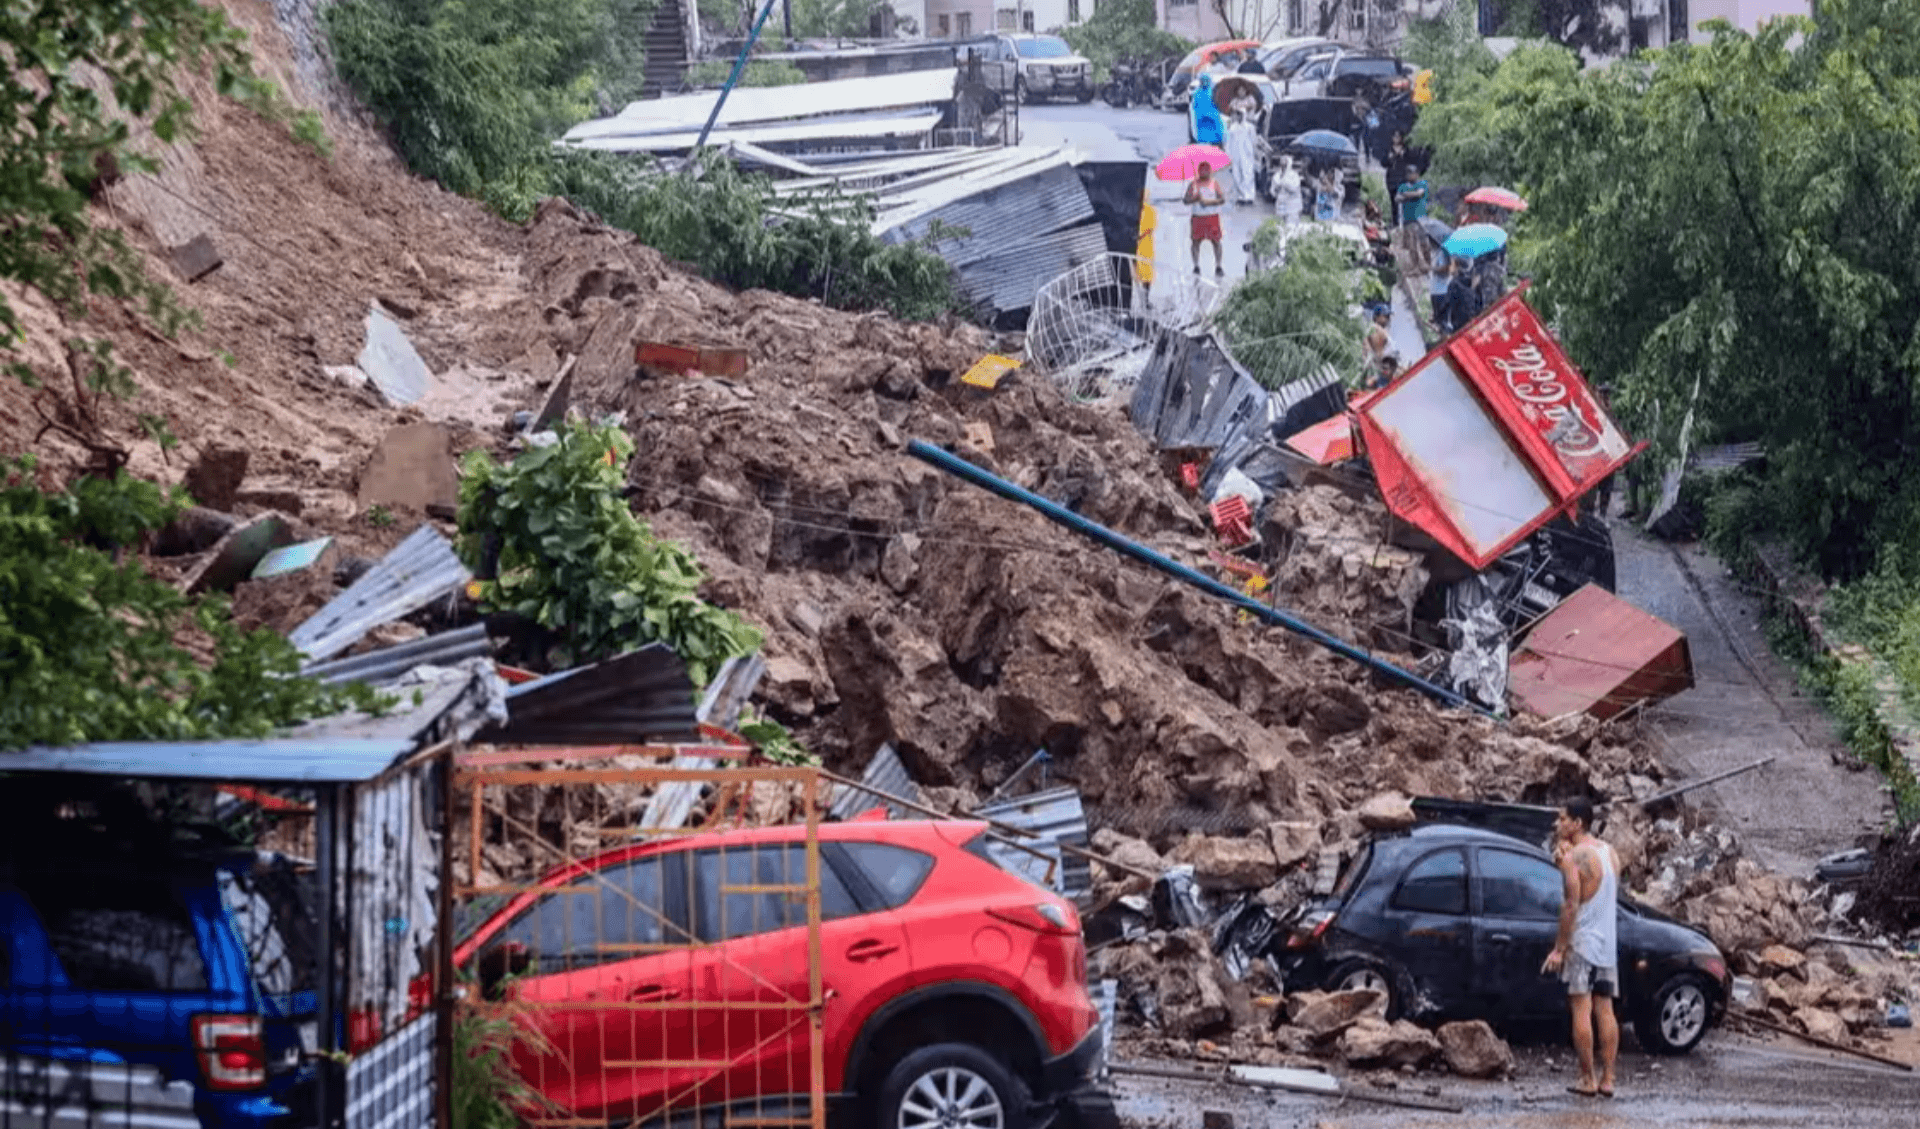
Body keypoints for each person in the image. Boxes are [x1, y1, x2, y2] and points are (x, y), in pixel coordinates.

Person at [1544, 797, 1621, 1099]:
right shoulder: (1610, 852)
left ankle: (1586, 1078)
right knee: (1606, 1009)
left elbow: (1571, 905)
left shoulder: (1573, 857)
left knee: (1581, 1008)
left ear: (1577, 823)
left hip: (1583, 942)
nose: (1557, 824)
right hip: (1607, 942)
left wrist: (1559, 949)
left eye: (1562, 819)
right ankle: (1609, 1079)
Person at [1185, 162, 1227, 276]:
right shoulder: (1193, 185)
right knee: (1195, 242)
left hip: (1212, 217)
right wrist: (1195, 199)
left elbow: (1222, 199)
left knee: (1216, 241)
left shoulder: (1214, 184)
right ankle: (1196, 266)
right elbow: (1185, 200)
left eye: (1207, 171)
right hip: (1197, 218)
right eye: (1202, 171)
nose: (1205, 174)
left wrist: (1209, 202)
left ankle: (1218, 266)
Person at [1225, 111, 1259, 204]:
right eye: (1237, 114)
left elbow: (1254, 140)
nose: (1239, 116)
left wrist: (1253, 152)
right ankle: (1241, 196)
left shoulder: (1249, 127)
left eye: (1240, 114)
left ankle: (1249, 196)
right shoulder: (1233, 127)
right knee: (1237, 176)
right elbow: (1228, 143)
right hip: (1235, 154)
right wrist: (1228, 156)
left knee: (1248, 175)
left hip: (1247, 155)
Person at [1190, 75, 1225, 146]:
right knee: (1205, 138)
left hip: (1212, 119)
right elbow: (1195, 106)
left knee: (1215, 138)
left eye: (1206, 81)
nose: (1204, 82)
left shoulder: (1213, 92)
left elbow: (1218, 104)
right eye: (1203, 81)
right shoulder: (1197, 93)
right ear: (1200, 82)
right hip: (1203, 120)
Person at [1272, 155, 1303, 226]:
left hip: (1293, 208)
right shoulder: (1277, 175)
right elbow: (1273, 191)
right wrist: (1275, 190)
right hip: (1281, 207)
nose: (1283, 165)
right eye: (1282, 163)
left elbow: (1293, 188)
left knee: (1290, 228)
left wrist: (1283, 182)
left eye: (1285, 163)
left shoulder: (1294, 175)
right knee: (1279, 227)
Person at [1428, 250, 1452, 333]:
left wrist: (1433, 269)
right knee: (1439, 322)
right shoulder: (1438, 252)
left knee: (1443, 323)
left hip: (1442, 292)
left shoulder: (1446, 252)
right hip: (1436, 291)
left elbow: (1448, 268)